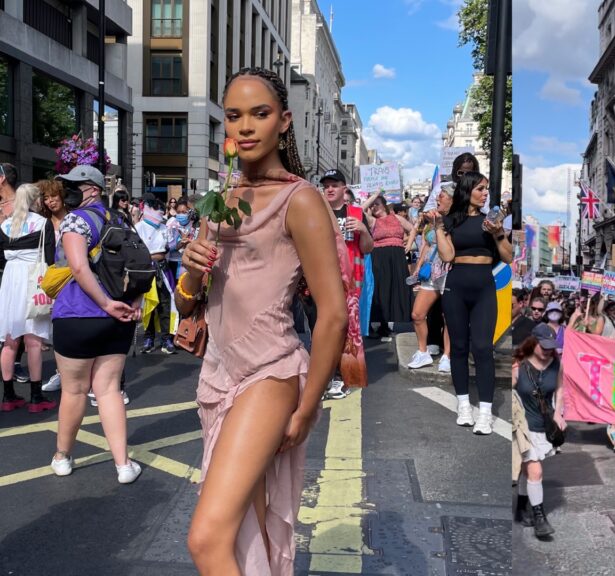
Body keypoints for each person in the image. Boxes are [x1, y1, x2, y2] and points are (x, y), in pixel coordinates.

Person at [178, 67, 348, 576]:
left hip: (269, 374)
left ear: (284, 121)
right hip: (217, 376)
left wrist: (309, 406)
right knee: (242, 537)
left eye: (260, 113)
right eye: (234, 116)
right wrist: (189, 273)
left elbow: (333, 314)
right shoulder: (220, 201)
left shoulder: (301, 200)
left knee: (206, 540)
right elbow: (189, 309)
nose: (246, 126)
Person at [48, 164, 142, 483]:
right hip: (119, 317)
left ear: (93, 189)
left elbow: (76, 266)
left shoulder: (76, 220)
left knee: (74, 391)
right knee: (109, 390)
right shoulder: (122, 219)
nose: (69, 191)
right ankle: (123, 465)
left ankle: (62, 456)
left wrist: (102, 302)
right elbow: (141, 265)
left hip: (77, 314)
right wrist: (132, 305)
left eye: (77, 185)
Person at [434, 171, 513, 435]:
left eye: (487, 189)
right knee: (458, 347)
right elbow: (447, 255)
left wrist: (498, 233)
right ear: (468, 191)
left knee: (482, 348)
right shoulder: (449, 221)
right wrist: (438, 228)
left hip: (483, 288)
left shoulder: (491, 222)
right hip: (455, 286)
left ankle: (486, 413)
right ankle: (464, 405)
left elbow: (509, 257)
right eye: (480, 188)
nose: (485, 193)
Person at [315, 171, 372, 399]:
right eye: (326, 186)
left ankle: (340, 376)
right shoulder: (315, 213)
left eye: (334, 185)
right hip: (320, 279)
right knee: (321, 329)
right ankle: (323, 376)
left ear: (344, 188)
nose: (329, 189)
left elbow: (368, 248)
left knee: (344, 330)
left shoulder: (356, 213)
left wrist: (363, 230)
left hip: (349, 282)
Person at [0, 184, 55, 413]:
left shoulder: (4, 225)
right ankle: (35, 396)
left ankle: (8, 396)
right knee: (34, 341)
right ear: (36, 200)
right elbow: (50, 258)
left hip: (10, 281)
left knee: (10, 340)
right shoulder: (43, 224)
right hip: (34, 279)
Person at [512, 324, 565, 539]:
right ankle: (540, 519)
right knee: (536, 472)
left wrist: (559, 413)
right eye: (544, 346)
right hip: (523, 428)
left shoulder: (556, 364)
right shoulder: (517, 366)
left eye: (551, 347)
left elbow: (560, 389)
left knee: (528, 472)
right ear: (533, 343)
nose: (547, 351)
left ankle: (520, 508)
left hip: (544, 425)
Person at [407, 186, 453, 371]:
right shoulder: (431, 217)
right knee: (417, 314)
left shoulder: (456, 220)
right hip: (431, 272)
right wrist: (417, 269)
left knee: (449, 316)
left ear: (452, 200)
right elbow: (426, 244)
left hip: (449, 271)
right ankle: (423, 352)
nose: (437, 199)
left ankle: (447, 356)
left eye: (441, 196)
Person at [363, 191, 414, 341]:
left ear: (384, 205)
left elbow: (412, 229)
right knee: (380, 290)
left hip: (397, 258)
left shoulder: (396, 218)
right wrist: (374, 195)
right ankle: (373, 324)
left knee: (394, 290)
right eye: (372, 205)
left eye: (377, 204)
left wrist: (409, 245)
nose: (374, 207)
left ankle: (386, 324)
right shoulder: (372, 221)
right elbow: (359, 210)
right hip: (379, 258)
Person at [38, 179, 68, 392]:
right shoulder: (42, 222)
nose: (50, 202)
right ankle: (61, 373)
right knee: (57, 328)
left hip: (74, 278)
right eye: (46, 198)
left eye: (53, 196)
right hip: (51, 279)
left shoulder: (75, 217)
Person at [137, 196, 175, 354]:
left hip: (163, 269)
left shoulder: (164, 227)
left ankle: (166, 338)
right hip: (146, 269)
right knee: (148, 306)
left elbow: (170, 246)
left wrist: (177, 243)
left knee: (165, 305)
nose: (160, 213)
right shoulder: (139, 227)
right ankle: (149, 337)